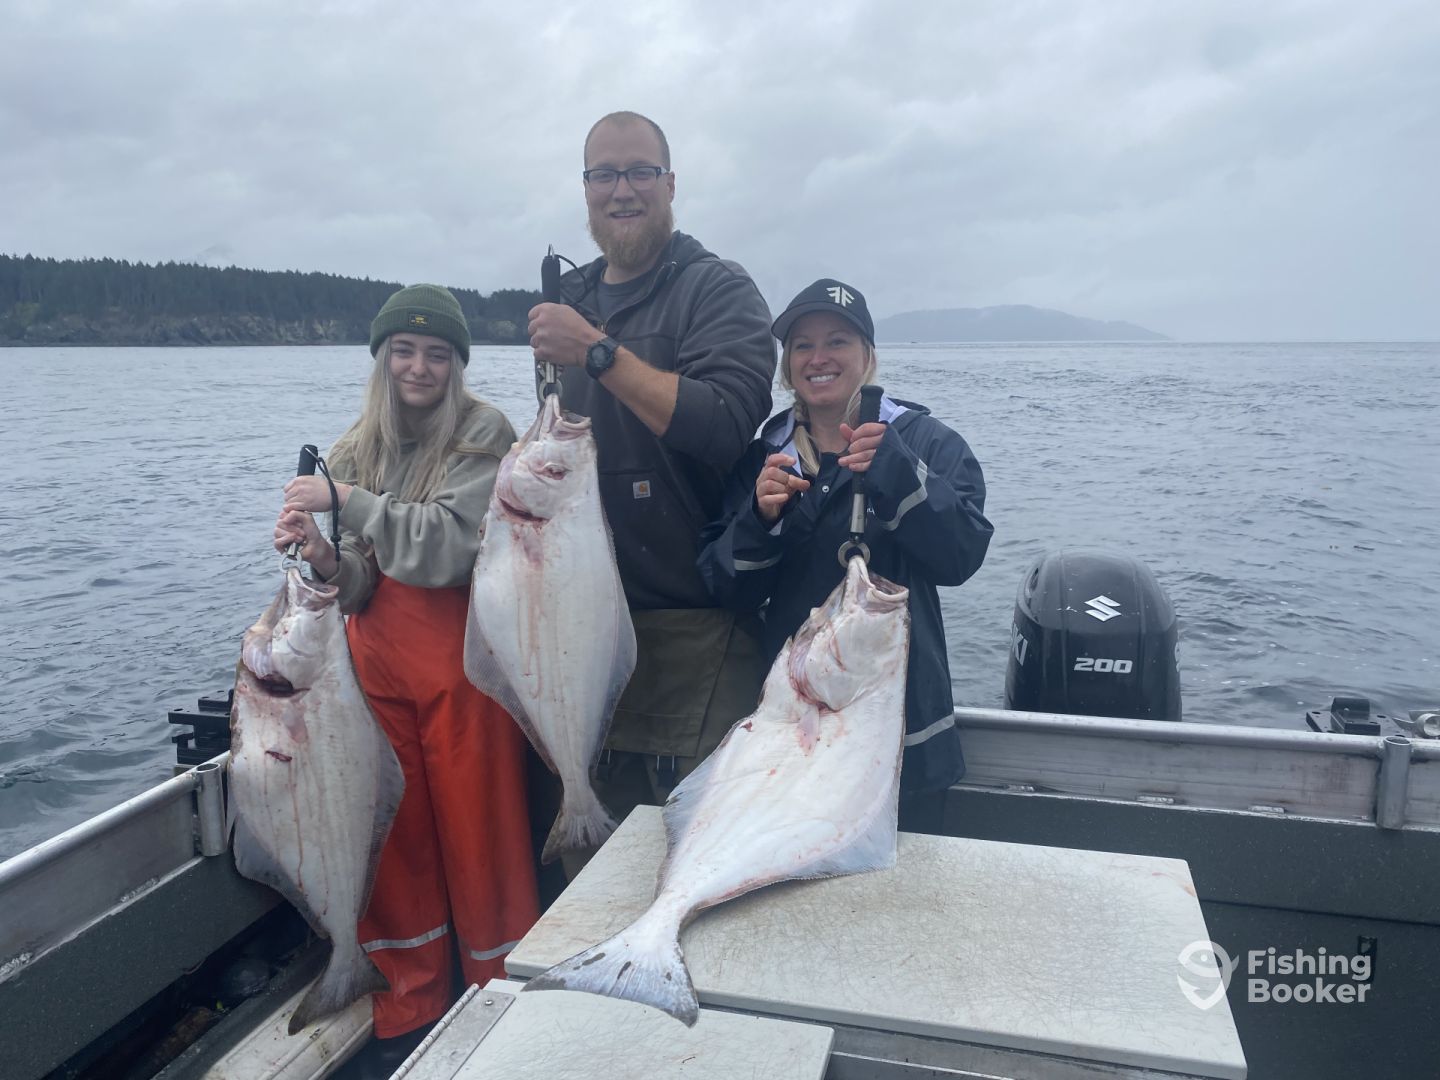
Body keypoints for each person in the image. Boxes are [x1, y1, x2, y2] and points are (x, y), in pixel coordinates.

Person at [272, 285, 538, 1058]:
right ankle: (406, 1005)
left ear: (457, 364)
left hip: (464, 673)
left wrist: (345, 500)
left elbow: (447, 548)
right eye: (404, 351)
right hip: (373, 675)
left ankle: (500, 1005)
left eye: (437, 354)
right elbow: (362, 577)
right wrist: (324, 556)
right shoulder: (356, 446)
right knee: (395, 847)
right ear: (382, 358)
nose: (419, 367)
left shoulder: (485, 433)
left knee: (483, 842)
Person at [525, 111, 777, 837]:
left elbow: (725, 423)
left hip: (695, 638)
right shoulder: (571, 301)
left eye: (640, 171)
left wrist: (597, 352)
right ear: (585, 189)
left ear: (670, 184)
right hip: (576, 633)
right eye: (604, 174)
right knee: (586, 874)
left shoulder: (717, 289)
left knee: (697, 859)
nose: (622, 190)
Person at [697, 278, 994, 832]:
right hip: (797, 731)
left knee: (904, 878)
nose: (819, 358)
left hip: (903, 732)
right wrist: (760, 520)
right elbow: (725, 586)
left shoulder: (928, 443)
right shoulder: (763, 457)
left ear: (868, 355)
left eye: (837, 341)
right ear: (787, 366)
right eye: (802, 346)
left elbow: (962, 555)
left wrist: (898, 475)